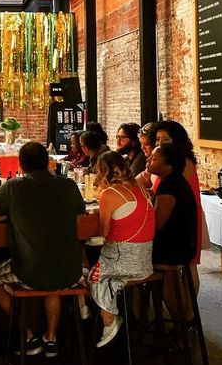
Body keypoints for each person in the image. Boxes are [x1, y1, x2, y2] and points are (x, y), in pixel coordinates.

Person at [0, 142, 85, 357]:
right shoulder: (68, 186)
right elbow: (79, 218)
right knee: (53, 278)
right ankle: (51, 339)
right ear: (48, 163)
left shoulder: (14, 187)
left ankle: (27, 337)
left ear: (21, 165)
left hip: (30, 271)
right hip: (70, 271)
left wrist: (13, 215)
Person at [88, 151, 155, 348]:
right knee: (89, 266)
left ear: (102, 171)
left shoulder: (109, 194)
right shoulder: (140, 187)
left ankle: (108, 319)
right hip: (144, 262)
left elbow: (104, 234)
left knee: (92, 275)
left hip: (122, 261)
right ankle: (88, 308)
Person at [155, 120, 205, 266]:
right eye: (158, 139)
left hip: (181, 221)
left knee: (189, 266)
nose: (160, 144)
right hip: (171, 218)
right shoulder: (163, 162)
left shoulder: (182, 164)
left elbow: (172, 191)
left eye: (165, 140)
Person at [148, 143, 198, 268]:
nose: (148, 160)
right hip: (180, 246)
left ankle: (134, 286)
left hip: (173, 251)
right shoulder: (174, 180)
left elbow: (156, 225)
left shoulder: (170, 186)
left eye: (154, 159)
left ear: (169, 166)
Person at [135, 122, 159, 190]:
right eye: (141, 144)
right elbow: (143, 177)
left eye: (146, 144)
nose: (142, 148)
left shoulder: (160, 163)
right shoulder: (150, 159)